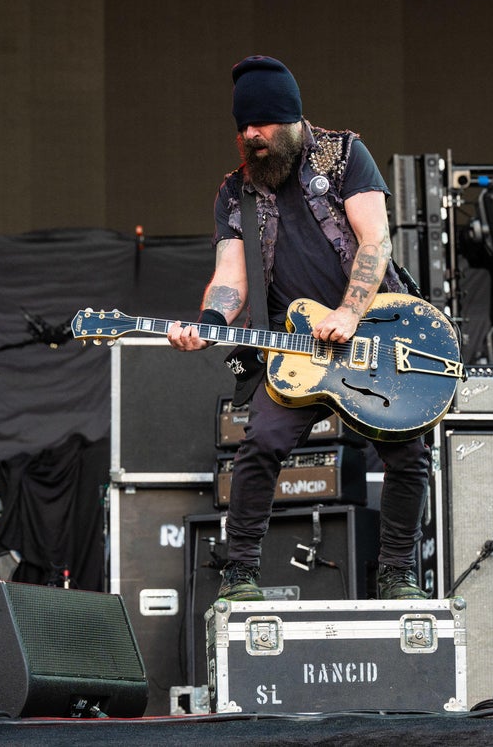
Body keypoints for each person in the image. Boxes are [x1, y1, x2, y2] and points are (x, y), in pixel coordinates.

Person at [166, 55, 431, 602]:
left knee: (409, 453)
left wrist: (350, 312)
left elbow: (375, 239)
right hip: (299, 347)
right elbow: (230, 277)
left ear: (289, 120)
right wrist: (209, 323)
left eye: (260, 125)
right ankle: (240, 574)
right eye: (242, 127)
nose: (250, 136)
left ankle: (397, 572)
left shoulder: (344, 155)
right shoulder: (234, 192)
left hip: (372, 334)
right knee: (259, 442)